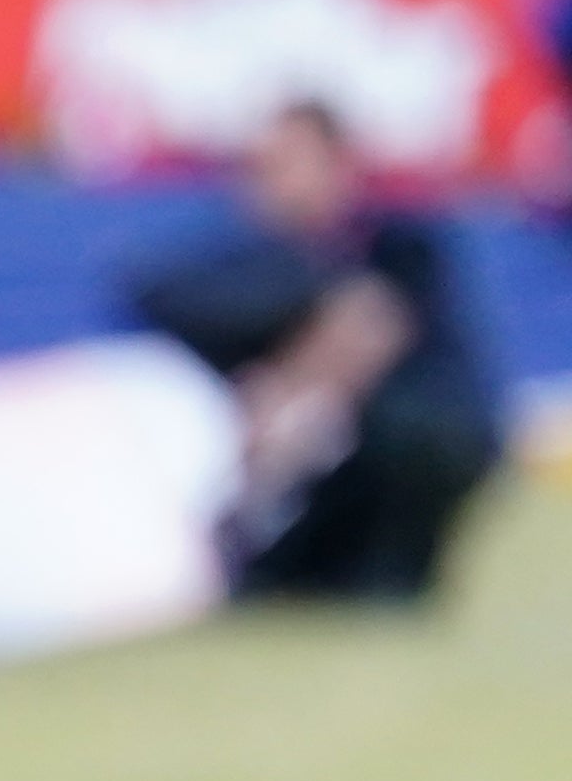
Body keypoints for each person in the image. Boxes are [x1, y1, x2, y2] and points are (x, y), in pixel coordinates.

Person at [126, 98, 509, 605]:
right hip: (283, 475)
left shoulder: (396, 246)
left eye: (287, 163)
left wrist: (289, 387)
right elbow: (152, 296)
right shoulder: (245, 265)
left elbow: (373, 326)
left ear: (338, 165)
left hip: (391, 454)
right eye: (260, 166)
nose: (270, 181)